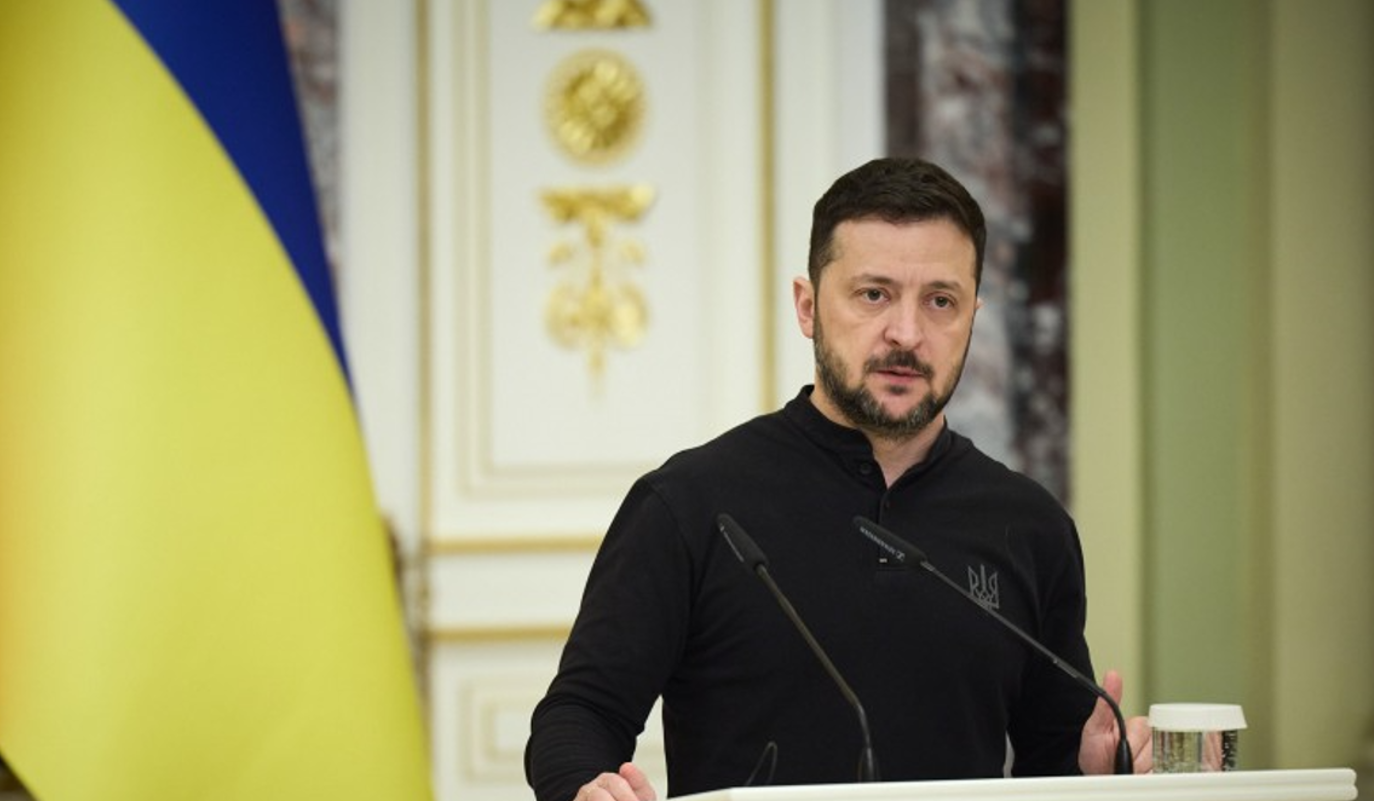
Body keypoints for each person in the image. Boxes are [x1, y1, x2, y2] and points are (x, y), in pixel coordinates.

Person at [525, 157, 1152, 801]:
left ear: (973, 315)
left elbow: (1053, 760)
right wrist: (585, 786)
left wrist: (1097, 775)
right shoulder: (688, 502)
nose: (906, 334)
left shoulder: (1029, 525)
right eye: (873, 294)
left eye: (940, 301)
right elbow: (581, 714)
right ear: (808, 307)